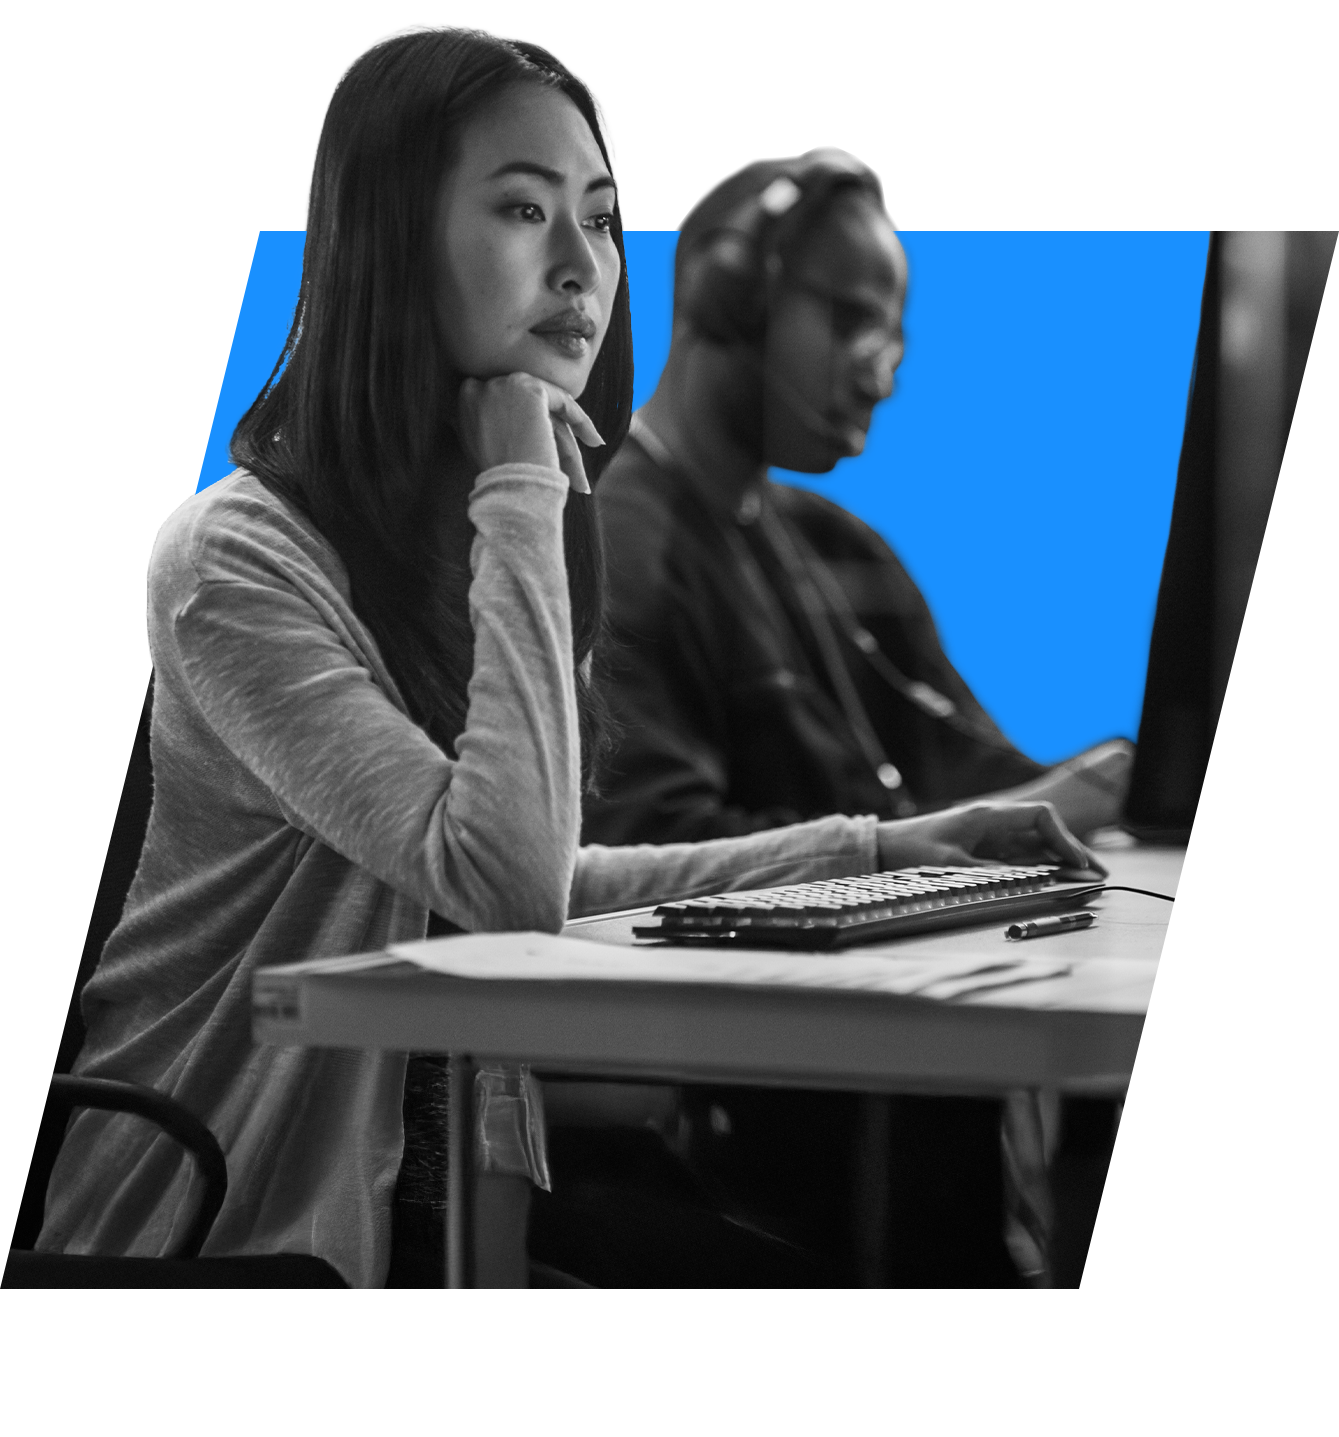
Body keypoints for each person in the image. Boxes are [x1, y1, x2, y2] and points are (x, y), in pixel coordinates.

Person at [35, 27, 1098, 1332]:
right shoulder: (238, 555)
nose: (578, 265)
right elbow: (505, 882)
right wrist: (526, 480)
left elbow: (543, 867)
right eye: (522, 210)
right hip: (248, 1230)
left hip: (436, 1202)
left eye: (596, 220)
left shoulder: (486, 534)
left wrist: (887, 848)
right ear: (389, 239)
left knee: (810, 1309)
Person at [579, 150, 1132, 1330]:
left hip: (893, 1089)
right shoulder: (622, 550)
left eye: (895, 333)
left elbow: (966, 777)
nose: (880, 373)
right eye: (850, 319)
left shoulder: (823, 543)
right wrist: (894, 849)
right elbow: (650, 851)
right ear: (731, 298)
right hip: (781, 1123)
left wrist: (1135, 775)